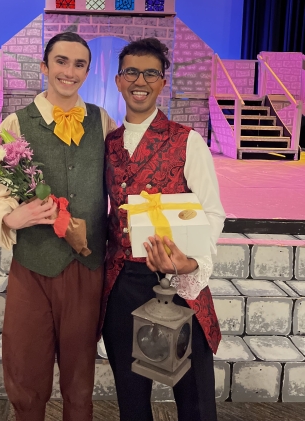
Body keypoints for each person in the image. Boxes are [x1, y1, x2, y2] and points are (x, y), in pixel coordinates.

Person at [0, 32, 116, 421]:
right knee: (26, 373)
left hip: (86, 267)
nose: (69, 71)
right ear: (45, 66)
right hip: (33, 267)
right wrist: (13, 217)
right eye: (61, 61)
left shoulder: (102, 120)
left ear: (88, 72)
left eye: (79, 64)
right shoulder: (16, 122)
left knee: (79, 380)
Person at [102, 37, 226, 421]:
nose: (141, 80)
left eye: (151, 73)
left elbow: (212, 212)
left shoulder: (188, 141)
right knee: (131, 394)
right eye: (131, 72)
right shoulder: (107, 143)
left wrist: (191, 265)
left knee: (195, 396)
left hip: (178, 280)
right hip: (122, 281)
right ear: (119, 81)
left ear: (162, 82)